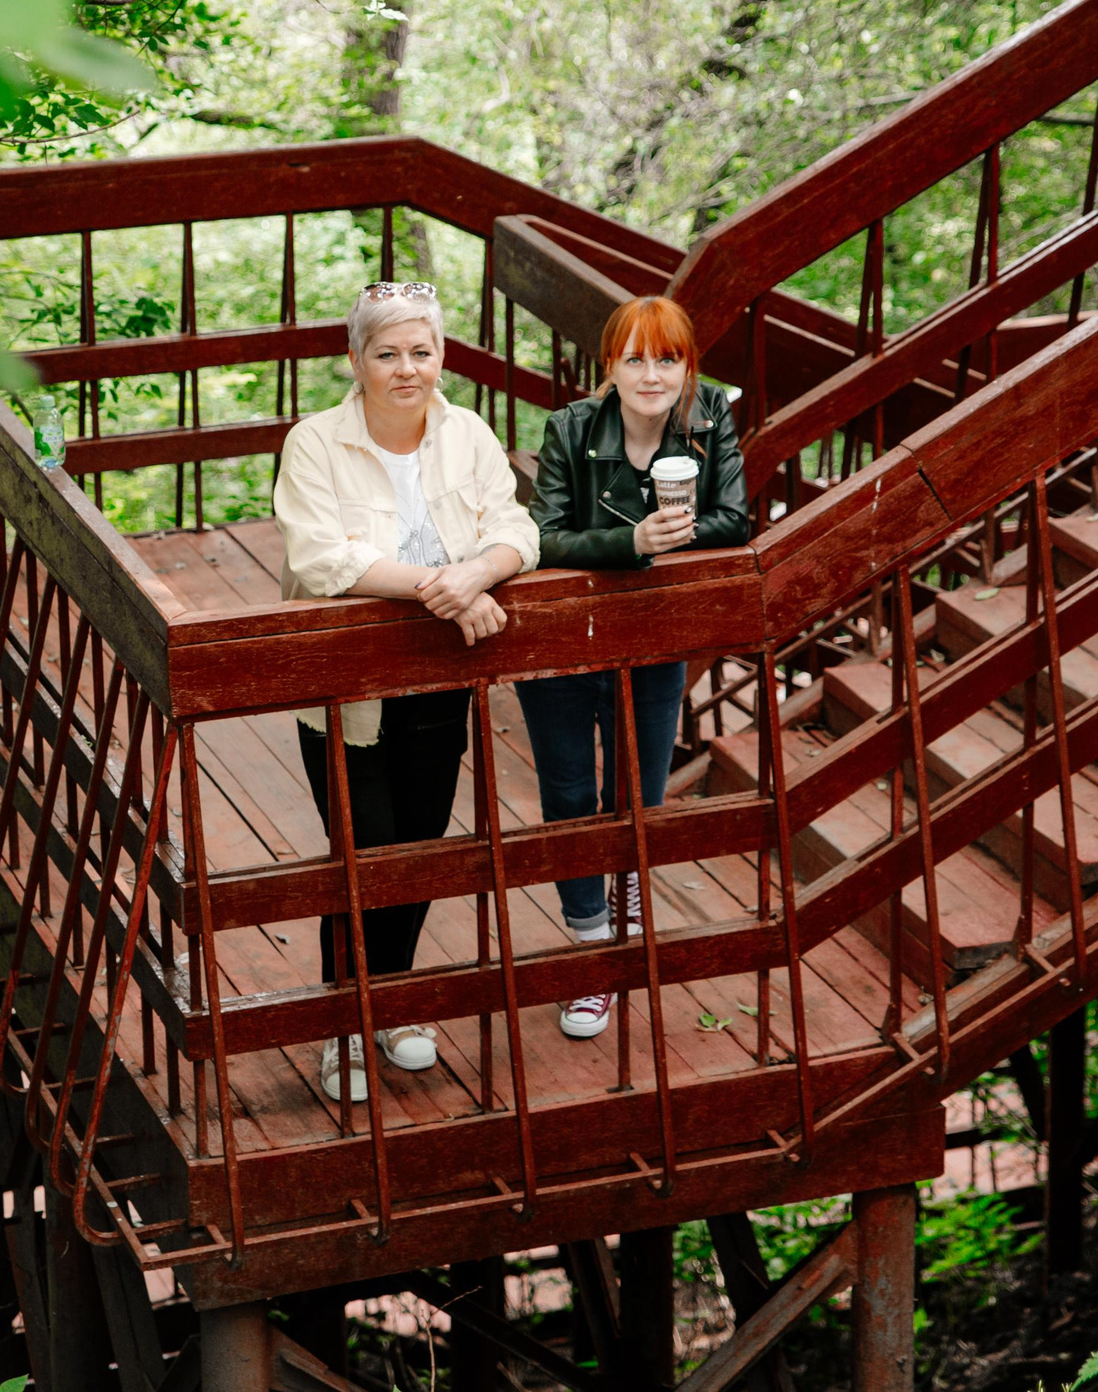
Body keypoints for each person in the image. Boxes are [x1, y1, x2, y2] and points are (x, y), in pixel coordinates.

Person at [273, 279, 538, 1103]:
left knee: (419, 851)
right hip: (345, 687)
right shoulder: (315, 443)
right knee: (365, 854)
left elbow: (515, 527)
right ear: (355, 362)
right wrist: (446, 583)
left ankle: (391, 1005)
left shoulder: (468, 435)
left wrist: (480, 572)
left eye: (420, 352)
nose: (405, 368)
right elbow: (320, 559)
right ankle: (343, 1024)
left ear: (441, 358)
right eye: (386, 353)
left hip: (438, 678)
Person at [515, 295, 748, 1039]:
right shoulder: (572, 426)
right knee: (570, 791)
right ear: (609, 365)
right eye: (635, 357)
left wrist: (678, 533)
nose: (653, 373)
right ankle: (591, 949)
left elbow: (736, 517)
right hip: (561, 638)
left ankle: (624, 917)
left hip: (654, 636)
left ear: (688, 364)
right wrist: (633, 542)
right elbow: (546, 537)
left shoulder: (710, 413)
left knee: (638, 791)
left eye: (668, 357)